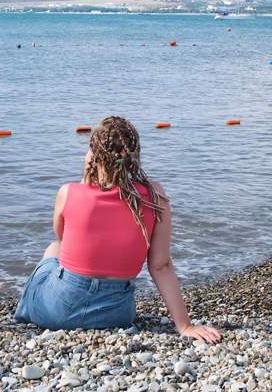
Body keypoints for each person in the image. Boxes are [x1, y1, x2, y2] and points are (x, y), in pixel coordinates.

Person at [14, 116, 220, 343]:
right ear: (133, 155)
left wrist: (86, 178)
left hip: (58, 312)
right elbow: (160, 265)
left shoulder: (69, 192)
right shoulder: (155, 195)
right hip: (117, 314)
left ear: (93, 155)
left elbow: (63, 236)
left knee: (53, 249)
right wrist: (185, 325)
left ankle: (24, 311)